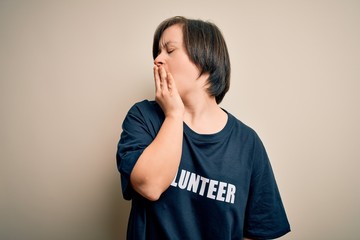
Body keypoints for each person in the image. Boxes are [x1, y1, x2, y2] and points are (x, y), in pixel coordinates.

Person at [116, 16, 290, 240]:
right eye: (157, 53)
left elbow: (259, 231)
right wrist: (174, 114)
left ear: (205, 57)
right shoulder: (143, 117)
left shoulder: (248, 143)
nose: (158, 60)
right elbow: (150, 185)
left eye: (170, 50)